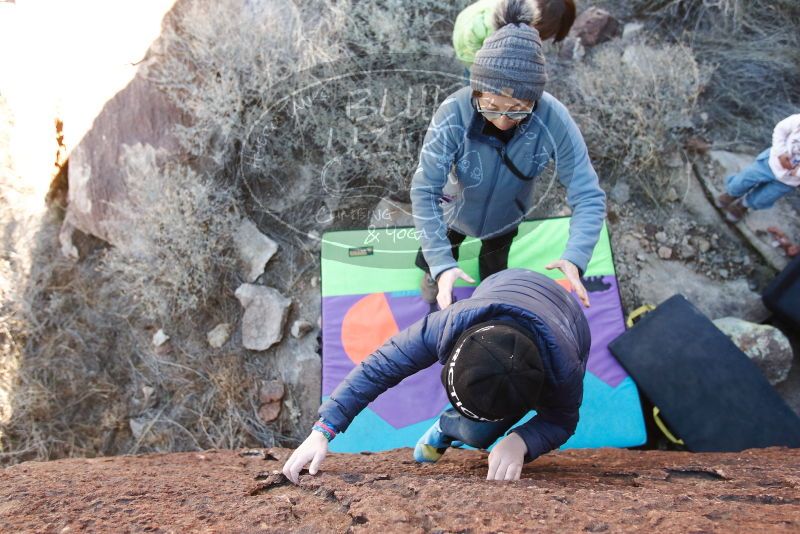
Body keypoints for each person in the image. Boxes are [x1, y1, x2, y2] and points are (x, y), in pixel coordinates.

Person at [282, 268, 591, 484]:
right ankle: (448, 426)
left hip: (570, 320)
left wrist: (522, 440)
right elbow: (379, 367)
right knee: (477, 433)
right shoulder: (447, 324)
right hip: (504, 283)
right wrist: (323, 429)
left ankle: (466, 427)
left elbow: (563, 420)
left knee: (482, 435)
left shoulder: (564, 373)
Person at [412, 0, 605, 310]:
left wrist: (576, 256)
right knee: (440, 250)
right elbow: (425, 189)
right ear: (476, 90)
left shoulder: (554, 118)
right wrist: (440, 263)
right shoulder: (454, 112)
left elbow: (588, 195)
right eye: (491, 106)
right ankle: (435, 276)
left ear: (536, 99)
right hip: (453, 211)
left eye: (518, 109)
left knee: (495, 264)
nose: (502, 119)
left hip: (506, 215)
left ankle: (491, 289)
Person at [453, 0, 576, 81]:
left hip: (468, 20)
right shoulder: (499, 29)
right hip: (468, 46)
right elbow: (470, 36)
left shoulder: (523, 7)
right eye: (548, 33)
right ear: (540, 24)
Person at [716, 113, 800, 222]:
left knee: (763, 198)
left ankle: (743, 205)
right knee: (743, 181)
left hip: (788, 181)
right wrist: (781, 152)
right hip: (770, 162)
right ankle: (732, 193)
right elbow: (780, 129)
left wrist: (797, 172)